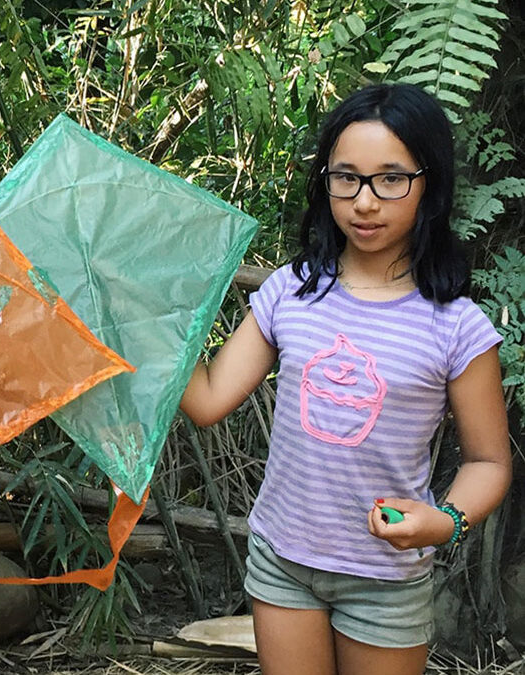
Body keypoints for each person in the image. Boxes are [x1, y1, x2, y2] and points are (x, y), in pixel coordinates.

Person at [179, 83, 511, 675]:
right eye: (346, 177)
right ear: (325, 180)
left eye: (390, 178)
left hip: (385, 577)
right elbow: (205, 400)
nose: (365, 201)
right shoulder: (291, 290)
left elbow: (488, 462)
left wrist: (447, 520)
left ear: (427, 183)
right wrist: (144, 322)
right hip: (282, 560)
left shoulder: (457, 325)